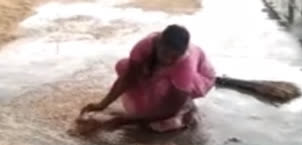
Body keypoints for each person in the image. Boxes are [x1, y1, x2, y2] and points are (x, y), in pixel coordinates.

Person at [77, 24, 216, 134]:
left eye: (175, 56)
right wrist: (102, 104)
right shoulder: (145, 45)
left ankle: (186, 106)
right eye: (166, 53)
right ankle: (147, 111)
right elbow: (128, 78)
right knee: (124, 67)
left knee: (162, 123)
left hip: (200, 79)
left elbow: (170, 110)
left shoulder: (185, 66)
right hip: (167, 71)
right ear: (158, 43)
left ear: (182, 53)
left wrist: (123, 121)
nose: (169, 60)